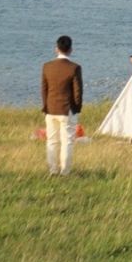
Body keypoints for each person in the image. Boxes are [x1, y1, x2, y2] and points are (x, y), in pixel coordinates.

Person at [42, 34, 84, 176]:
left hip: (51, 108)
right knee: (67, 142)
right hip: (67, 110)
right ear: (70, 49)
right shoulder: (74, 68)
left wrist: (45, 106)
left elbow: (44, 89)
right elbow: (78, 91)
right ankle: (65, 171)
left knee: (52, 141)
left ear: (56, 49)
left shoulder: (47, 67)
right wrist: (77, 108)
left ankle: (53, 170)